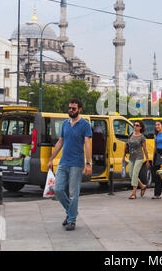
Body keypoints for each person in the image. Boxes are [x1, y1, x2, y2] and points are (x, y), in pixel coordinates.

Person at [47, 98, 92, 231]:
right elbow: (60, 142)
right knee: (58, 190)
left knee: (73, 193)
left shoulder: (85, 124)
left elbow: (88, 144)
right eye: (69, 108)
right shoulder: (65, 123)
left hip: (76, 164)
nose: (71, 110)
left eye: (73, 108)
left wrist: (88, 163)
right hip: (63, 162)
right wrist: (51, 159)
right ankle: (71, 212)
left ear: (80, 109)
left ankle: (71, 220)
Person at [123, 120, 149, 199]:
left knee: (135, 174)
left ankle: (134, 193)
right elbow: (127, 147)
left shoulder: (142, 137)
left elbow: (145, 149)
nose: (135, 126)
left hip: (139, 157)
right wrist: (123, 157)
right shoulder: (131, 135)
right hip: (131, 158)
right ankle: (142, 186)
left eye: (137, 125)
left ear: (140, 127)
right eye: (134, 125)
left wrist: (147, 160)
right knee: (131, 174)